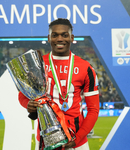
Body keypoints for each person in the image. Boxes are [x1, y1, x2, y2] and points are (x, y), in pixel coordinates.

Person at [18, 18, 99, 150]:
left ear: (72, 38)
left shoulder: (86, 67)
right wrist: (28, 104)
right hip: (47, 139)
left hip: (77, 141)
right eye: (55, 35)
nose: (60, 39)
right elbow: (22, 95)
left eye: (64, 35)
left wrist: (77, 139)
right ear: (49, 38)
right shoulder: (38, 64)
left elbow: (94, 110)